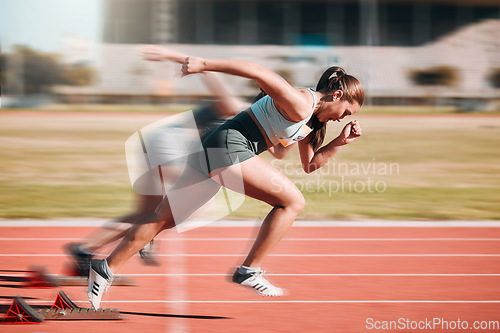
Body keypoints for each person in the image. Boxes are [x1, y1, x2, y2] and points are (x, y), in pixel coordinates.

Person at [87, 53, 364, 309]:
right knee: (292, 201)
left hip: (214, 147)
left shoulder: (312, 122)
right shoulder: (301, 102)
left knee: (162, 219)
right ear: (337, 95)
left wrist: (340, 142)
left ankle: (105, 269)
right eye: (346, 112)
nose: (343, 119)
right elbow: (257, 71)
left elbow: (304, 162)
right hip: (228, 146)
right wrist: (203, 65)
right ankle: (249, 270)